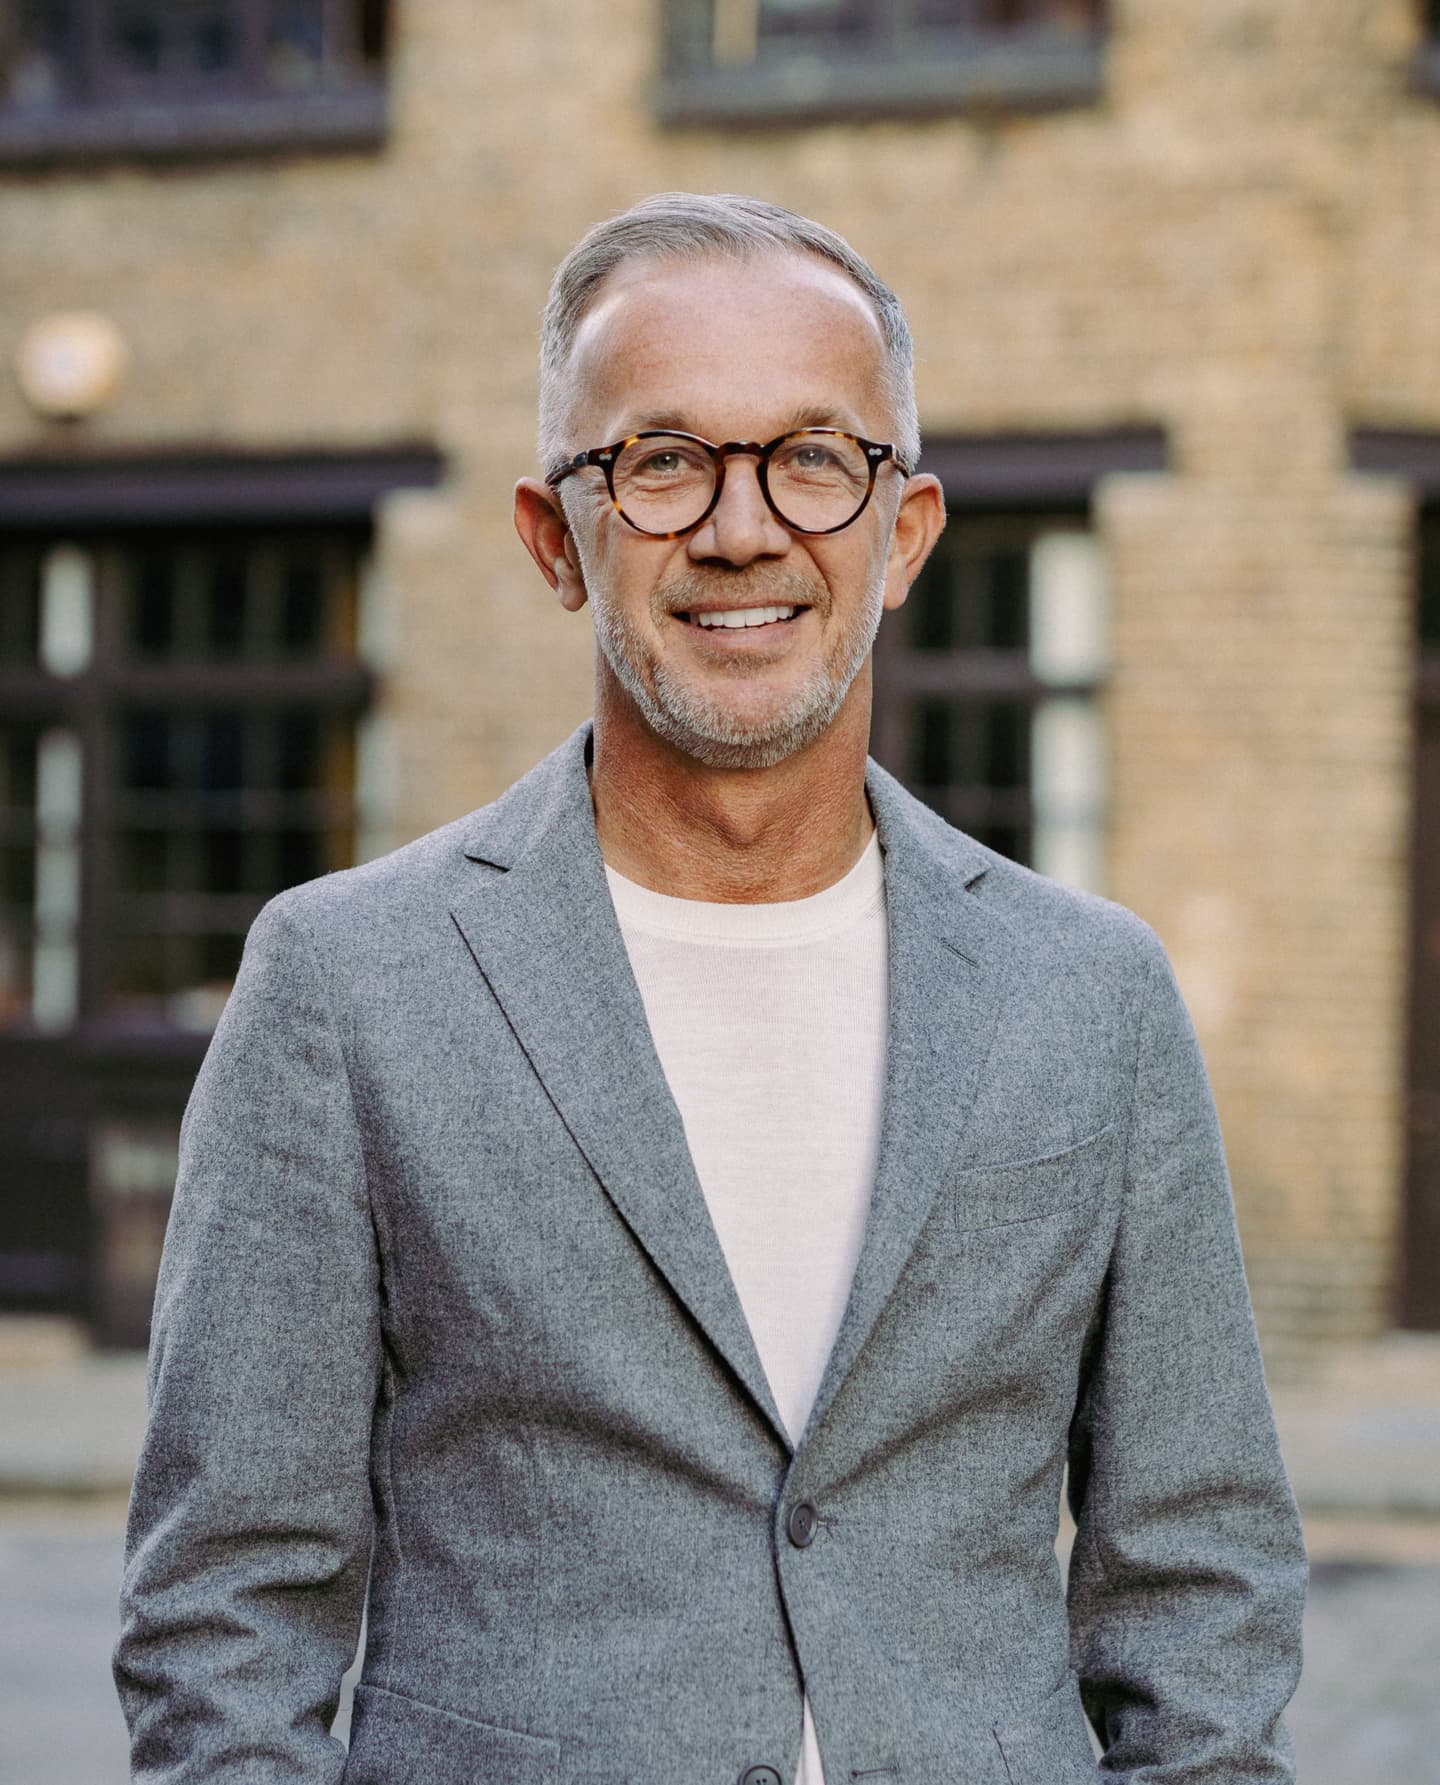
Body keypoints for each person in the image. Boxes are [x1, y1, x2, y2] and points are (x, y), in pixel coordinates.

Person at [115, 192, 1307, 1785]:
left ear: (904, 531)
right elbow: (224, 1618)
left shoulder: (1090, 994)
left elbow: (1201, 1589)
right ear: (557, 536)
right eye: (662, 460)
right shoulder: (346, 985)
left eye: (816, 457)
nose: (743, 528)